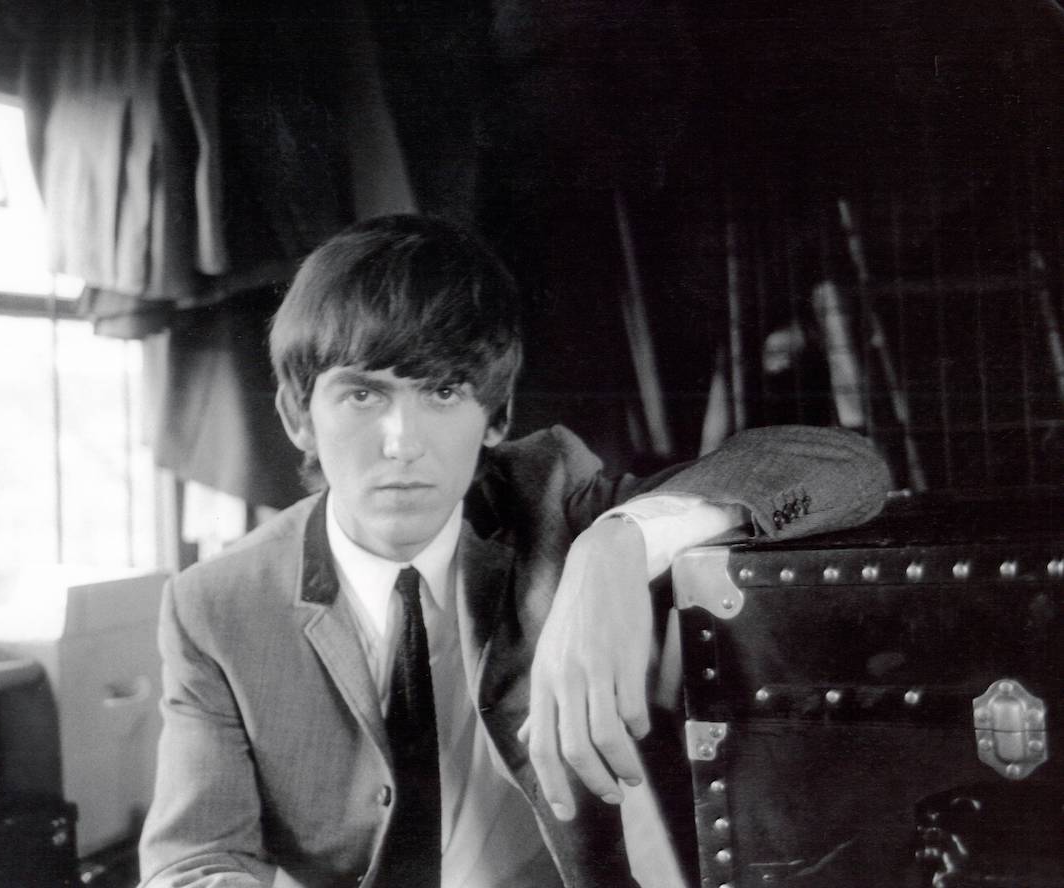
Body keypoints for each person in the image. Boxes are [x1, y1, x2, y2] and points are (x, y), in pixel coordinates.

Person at [137, 214, 890, 888]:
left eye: (442, 393)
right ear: (298, 416)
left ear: (496, 417)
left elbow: (846, 469)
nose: (401, 443)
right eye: (363, 395)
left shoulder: (551, 503)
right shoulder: (216, 605)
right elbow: (193, 861)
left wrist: (619, 544)